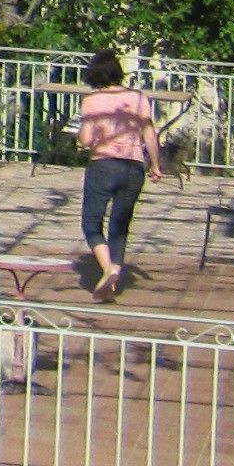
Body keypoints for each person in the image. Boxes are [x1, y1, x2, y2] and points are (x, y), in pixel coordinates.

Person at [72, 48, 166, 302]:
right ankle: (109, 288)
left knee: (91, 223)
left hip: (103, 166)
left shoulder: (92, 100)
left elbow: (86, 139)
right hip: (133, 167)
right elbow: (149, 135)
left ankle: (109, 269)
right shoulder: (138, 98)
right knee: (119, 226)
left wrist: (80, 137)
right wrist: (155, 164)